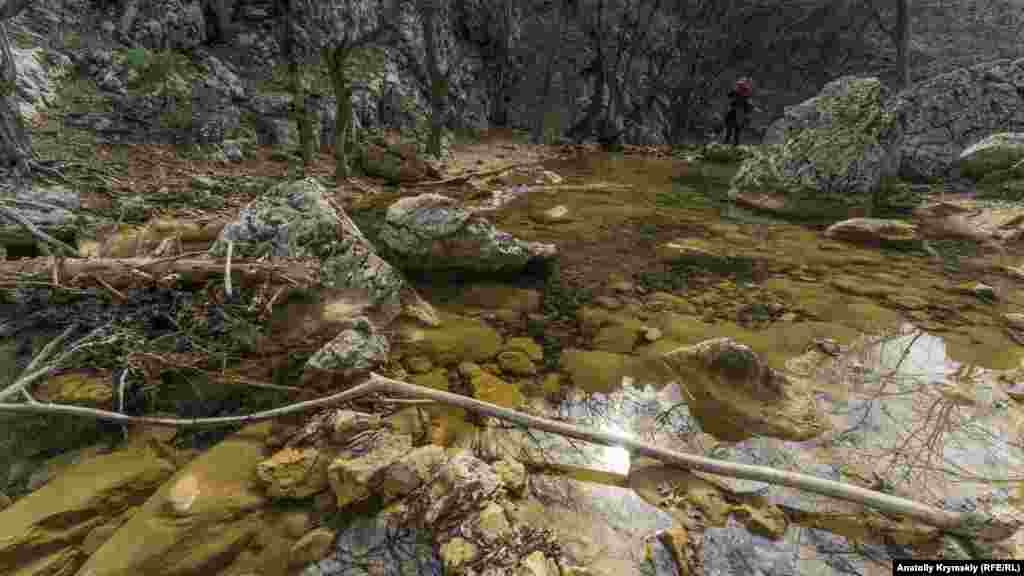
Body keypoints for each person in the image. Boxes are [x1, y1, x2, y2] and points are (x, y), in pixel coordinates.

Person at [723, 77, 754, 146]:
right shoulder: (738, 93)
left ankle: (730, 143)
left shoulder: (744, 94)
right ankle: (728, 143)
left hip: (738, 113)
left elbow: (748, 106)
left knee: (734, 131)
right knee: (732, 131)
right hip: (735, 113)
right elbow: (729, 96)